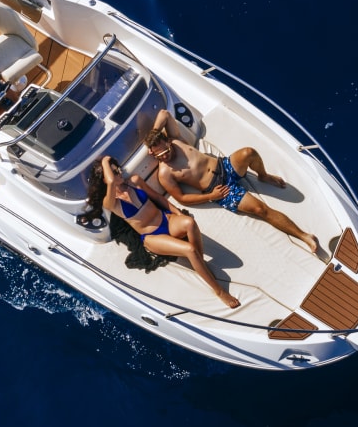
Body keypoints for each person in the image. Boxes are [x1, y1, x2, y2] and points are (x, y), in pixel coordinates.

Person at [145, 109, 320, 255]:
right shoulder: (165, 173)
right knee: (260, 210)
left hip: (224, 166)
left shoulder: (176, 140)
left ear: (167, 141)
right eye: (159, 156)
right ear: (154, 155)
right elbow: (182, 198)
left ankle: (263, 176)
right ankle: (304, 236)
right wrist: (211, 196)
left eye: (165, 151)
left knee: (249, 152)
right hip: (220, 189)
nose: (164, 156)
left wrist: (152, 137)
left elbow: (164, 114)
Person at [86, 156, 240, 309]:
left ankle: (199, 265)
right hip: (153, 236)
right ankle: (219, 291)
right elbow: (111, 182)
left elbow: (158, 198)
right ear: (105, 179)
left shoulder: (134, 181)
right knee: (189, 249)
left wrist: (178, 213)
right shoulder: (111, 203)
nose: (119, 173)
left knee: (190, 223)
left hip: (166, 220)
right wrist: (105, 161)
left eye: (118, 169)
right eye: (114, 172)